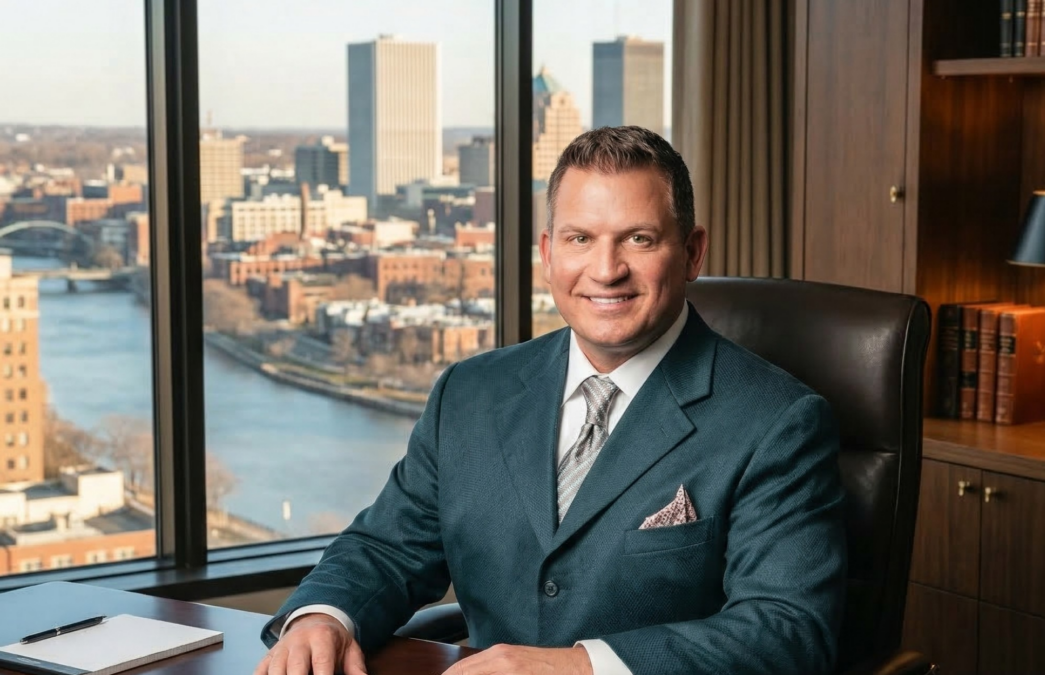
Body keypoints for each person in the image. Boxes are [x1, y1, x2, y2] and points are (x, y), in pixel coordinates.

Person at [255, 125, 847, 675]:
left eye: (638, 239)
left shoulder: (776, 421)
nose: (605, 269)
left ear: (693, 252)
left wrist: (581, 667)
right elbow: (386, 547)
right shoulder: (470, 393)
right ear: (547, 253)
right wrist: (322, 615)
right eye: (580, 239)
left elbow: (787, 630)